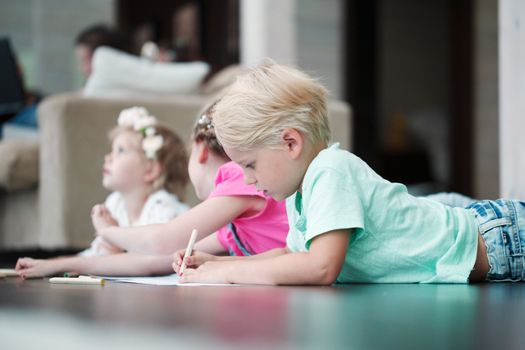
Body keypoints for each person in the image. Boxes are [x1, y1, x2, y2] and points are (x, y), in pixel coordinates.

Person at [173, 62, 525, 285]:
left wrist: (229, 273)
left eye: (250, 165)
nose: (248, 180)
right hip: (488, 251)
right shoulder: (301, 194)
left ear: (291, 143)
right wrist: (218, 262)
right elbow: (290, 256)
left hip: (498, 240)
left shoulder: (330, 171)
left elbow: (320, 268)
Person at [88, 101, 289, 259]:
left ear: (200, 149)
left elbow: (162, 243)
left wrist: (108, 231)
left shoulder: (239, 178)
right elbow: (154, 260)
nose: (248, 175)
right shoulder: (231, 231)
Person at [15, 107, 190, 277]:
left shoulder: (163, 209)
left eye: (120, 150)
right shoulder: (115, 203)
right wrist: (53, 263)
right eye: (111, 150)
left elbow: (150, 262)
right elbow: (93, 255)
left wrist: (114, 250)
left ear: (150, 170)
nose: (108, 157)